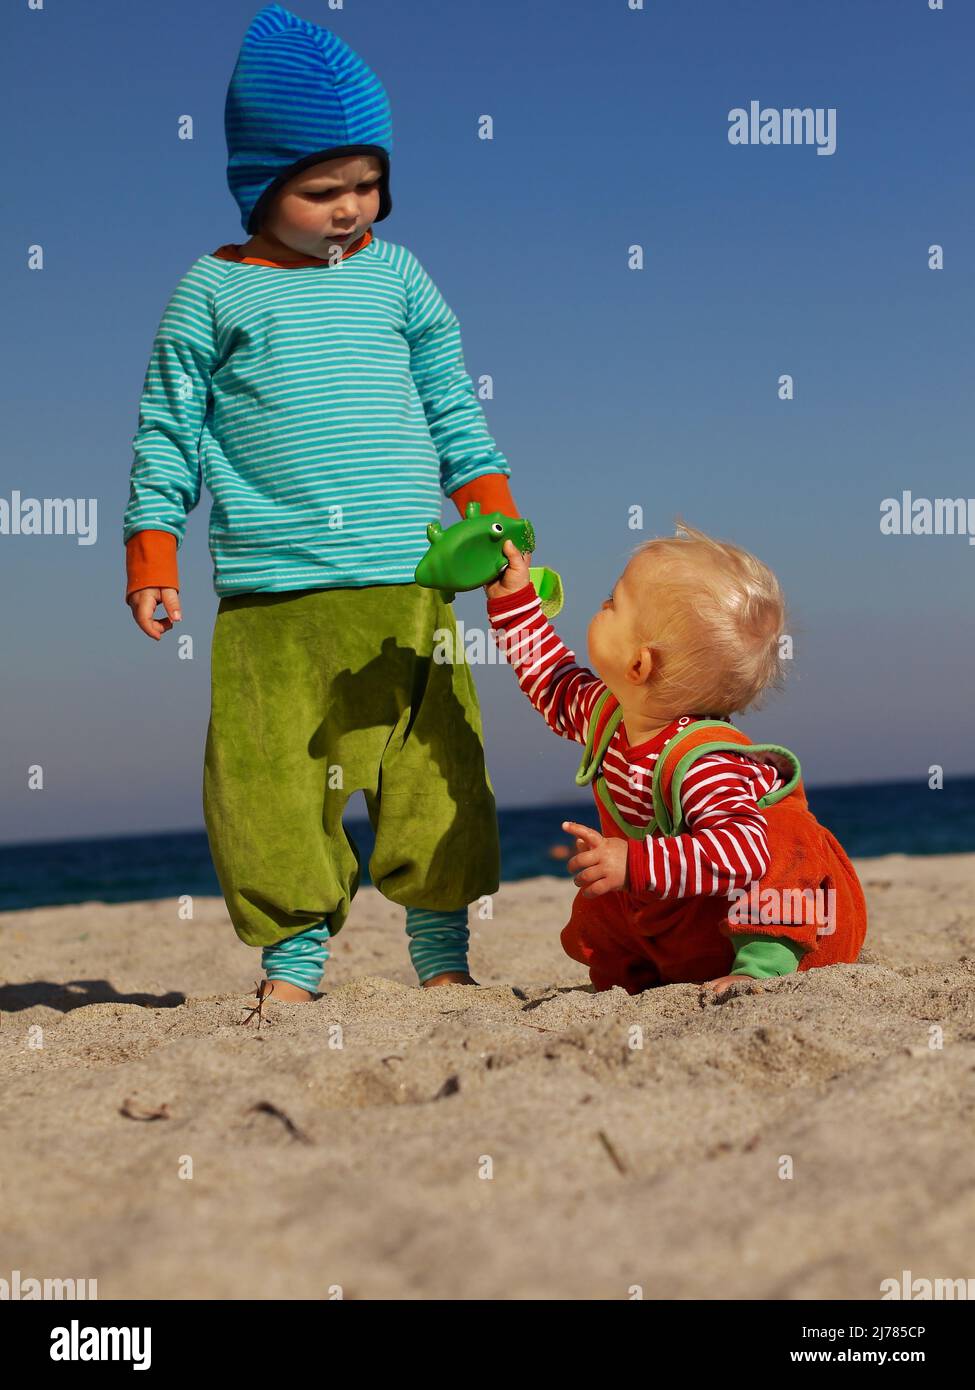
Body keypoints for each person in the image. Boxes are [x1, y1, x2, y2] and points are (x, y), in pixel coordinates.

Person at [123, 5, 520, 1004]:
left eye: (368, 182)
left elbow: (454, 408)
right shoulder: (212, 292)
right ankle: (293, 962)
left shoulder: (399, 277)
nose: (352, 207)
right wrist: (152, 549)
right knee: (268, 787)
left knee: (436, 778)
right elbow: (167, 428)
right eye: (321, 189)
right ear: (259, 185)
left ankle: (442, 959)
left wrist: (496, 513)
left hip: (408, 578)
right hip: (272, 592)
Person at [485, 524, 867, 996]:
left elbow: (742, 853)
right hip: (694, 922)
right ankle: (637, 982)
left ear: (639, 665)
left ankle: (762, 970)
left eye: (613, 603)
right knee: (601, 898)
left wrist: (637, 862)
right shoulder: (609, 717)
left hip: (798, 931)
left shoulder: (702, 761)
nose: (600, 606)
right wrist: (515, 601)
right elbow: (552, 680)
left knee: (784, 836)